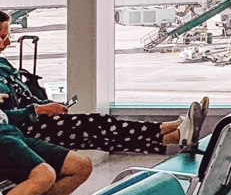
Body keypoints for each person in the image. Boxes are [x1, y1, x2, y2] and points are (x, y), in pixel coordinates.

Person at [0, 11, 207, 160]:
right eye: (3, 37)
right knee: (98, 126)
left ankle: (175, 132)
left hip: (34, 121)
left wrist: (46, 105)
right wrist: (37, 109)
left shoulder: (3, 64)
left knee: (101, 129)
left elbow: (24, 97)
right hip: (19, 129)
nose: (8, 43)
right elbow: (6, 115)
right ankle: (175, 131)